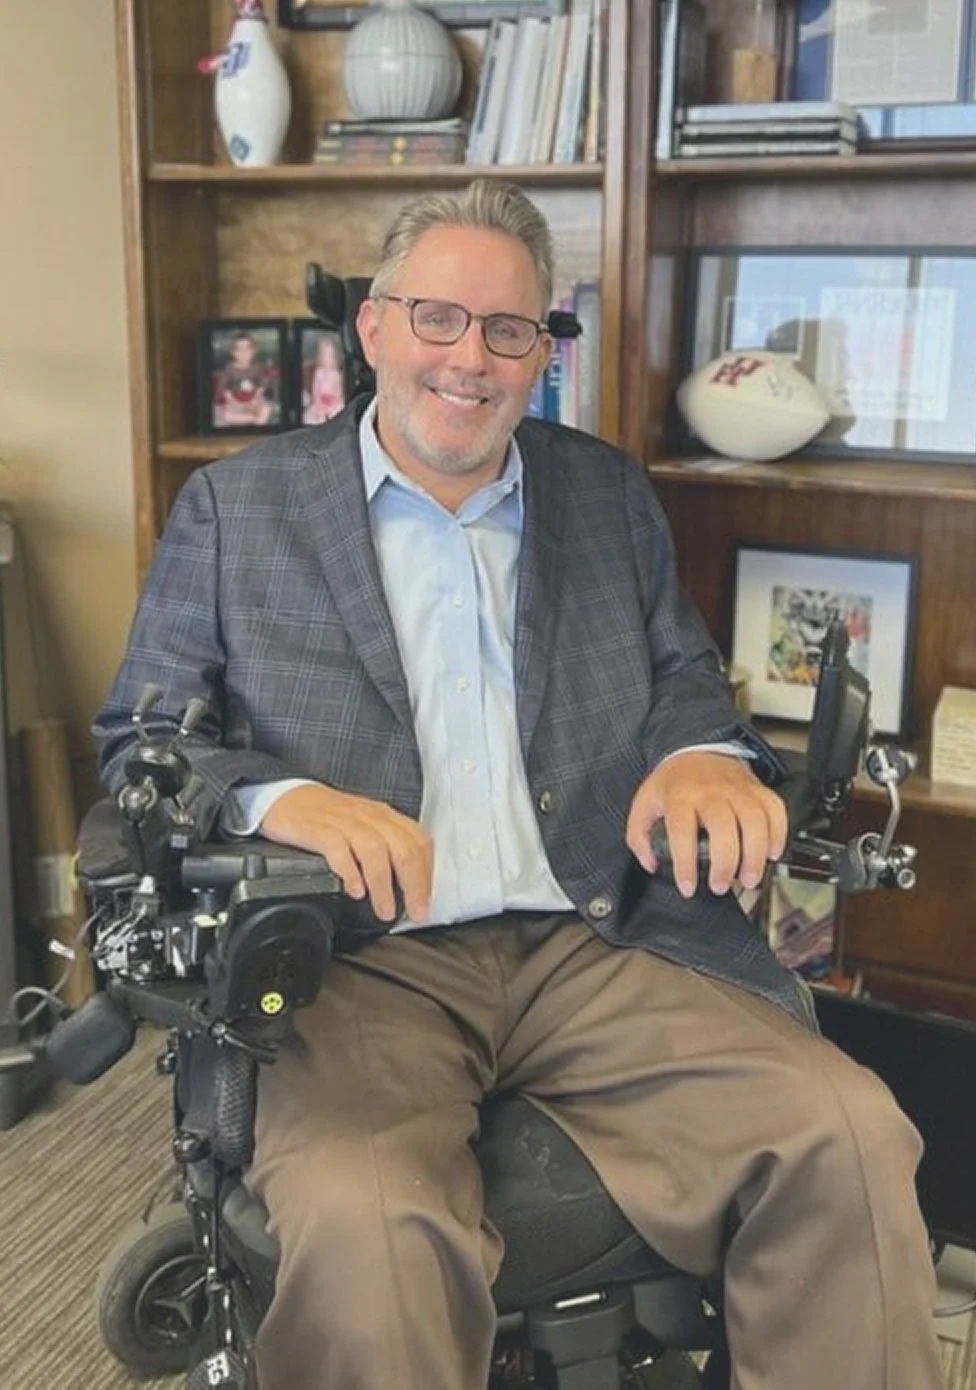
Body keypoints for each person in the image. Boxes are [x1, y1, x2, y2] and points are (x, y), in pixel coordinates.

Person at [94, 180, 942, 1390]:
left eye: (510, 331)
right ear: (374, 327)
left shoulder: (602, 494)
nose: (470, 360)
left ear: (543, 351)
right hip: (357, 960)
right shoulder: (240, 508)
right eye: (438, 319)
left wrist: (705, 757)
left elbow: (682, 679)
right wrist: (277, 798)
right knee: (370, 1221)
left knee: (847, 1134)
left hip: (596, 931)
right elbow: (140, 742)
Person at [213, 329, 277, 428]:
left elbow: (262, 386)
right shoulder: (228, 369)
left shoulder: (258, 367)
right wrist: (233, 401)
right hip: (235, 402)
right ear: (232, 352)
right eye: (239, 349)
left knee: (266, 408)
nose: (243, 352)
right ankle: (251, 418)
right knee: (225, 415)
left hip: (252, 401)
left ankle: (257, 424)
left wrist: (256, 398)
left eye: (247, 348)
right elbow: (224, 391)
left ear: (254, 351)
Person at [302, 330, 345, 425]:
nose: (327, 381)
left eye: (333, 368)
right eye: (321, 367)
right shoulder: (307, 416)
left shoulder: (346, 416)